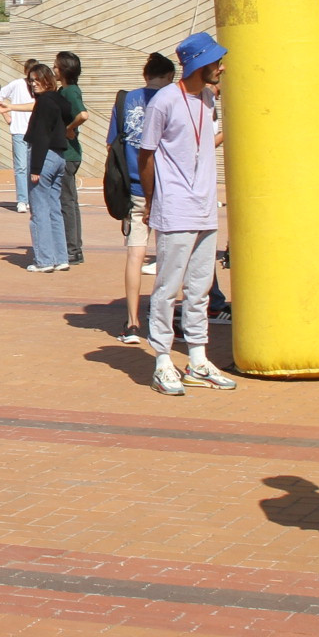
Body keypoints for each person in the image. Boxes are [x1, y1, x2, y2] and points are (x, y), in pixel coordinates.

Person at [137, 33, 238, 396]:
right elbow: (146, 154)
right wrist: (152, 200)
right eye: (216, 62)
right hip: (175, 207)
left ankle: (197, 359)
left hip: (205, 207)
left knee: (200, 288)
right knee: (167, 287)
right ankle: (163, 360)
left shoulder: (208, 98)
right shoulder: (164, 101)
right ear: (199, 63)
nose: (221, 67)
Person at [108, 53, 175, 346]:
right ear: (170, 76)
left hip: (134, 187)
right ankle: (164, 321)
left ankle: (132, 321)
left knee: (135, 255)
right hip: (166, 188)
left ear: (145, 74)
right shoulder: (173, 99)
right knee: (170, 257)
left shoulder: (125, 100)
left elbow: (112, 143)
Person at [23, 61, 74, 271]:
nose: (34, 84)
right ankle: (61, 257)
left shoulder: (44, 102)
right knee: (54, 208)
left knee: (39, 210)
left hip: (44, 156)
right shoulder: (59, 100)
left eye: (37, 80)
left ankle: (44, 260)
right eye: (31, 81)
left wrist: (35, 168)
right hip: (59, 157)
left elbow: (42, 134)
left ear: (47, 80)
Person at [53, 51, 87, 265]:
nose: (54, 70)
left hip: (68, 154)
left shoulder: (71, 91)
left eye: (56, 66)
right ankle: (73, 247)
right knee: (69, 202)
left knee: (67, 202)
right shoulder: (63, 90)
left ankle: (72, 249)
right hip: (66, 153)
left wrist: (69, 128)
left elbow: (83, 114)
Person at [0, 62, 35, 212]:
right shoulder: (17, 84)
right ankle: (22, 199)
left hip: (34, 131)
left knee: (33, 167)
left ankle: (31, 198)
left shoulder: (38, 86)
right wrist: (7, 115)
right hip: (19, 131)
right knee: (21, 167)